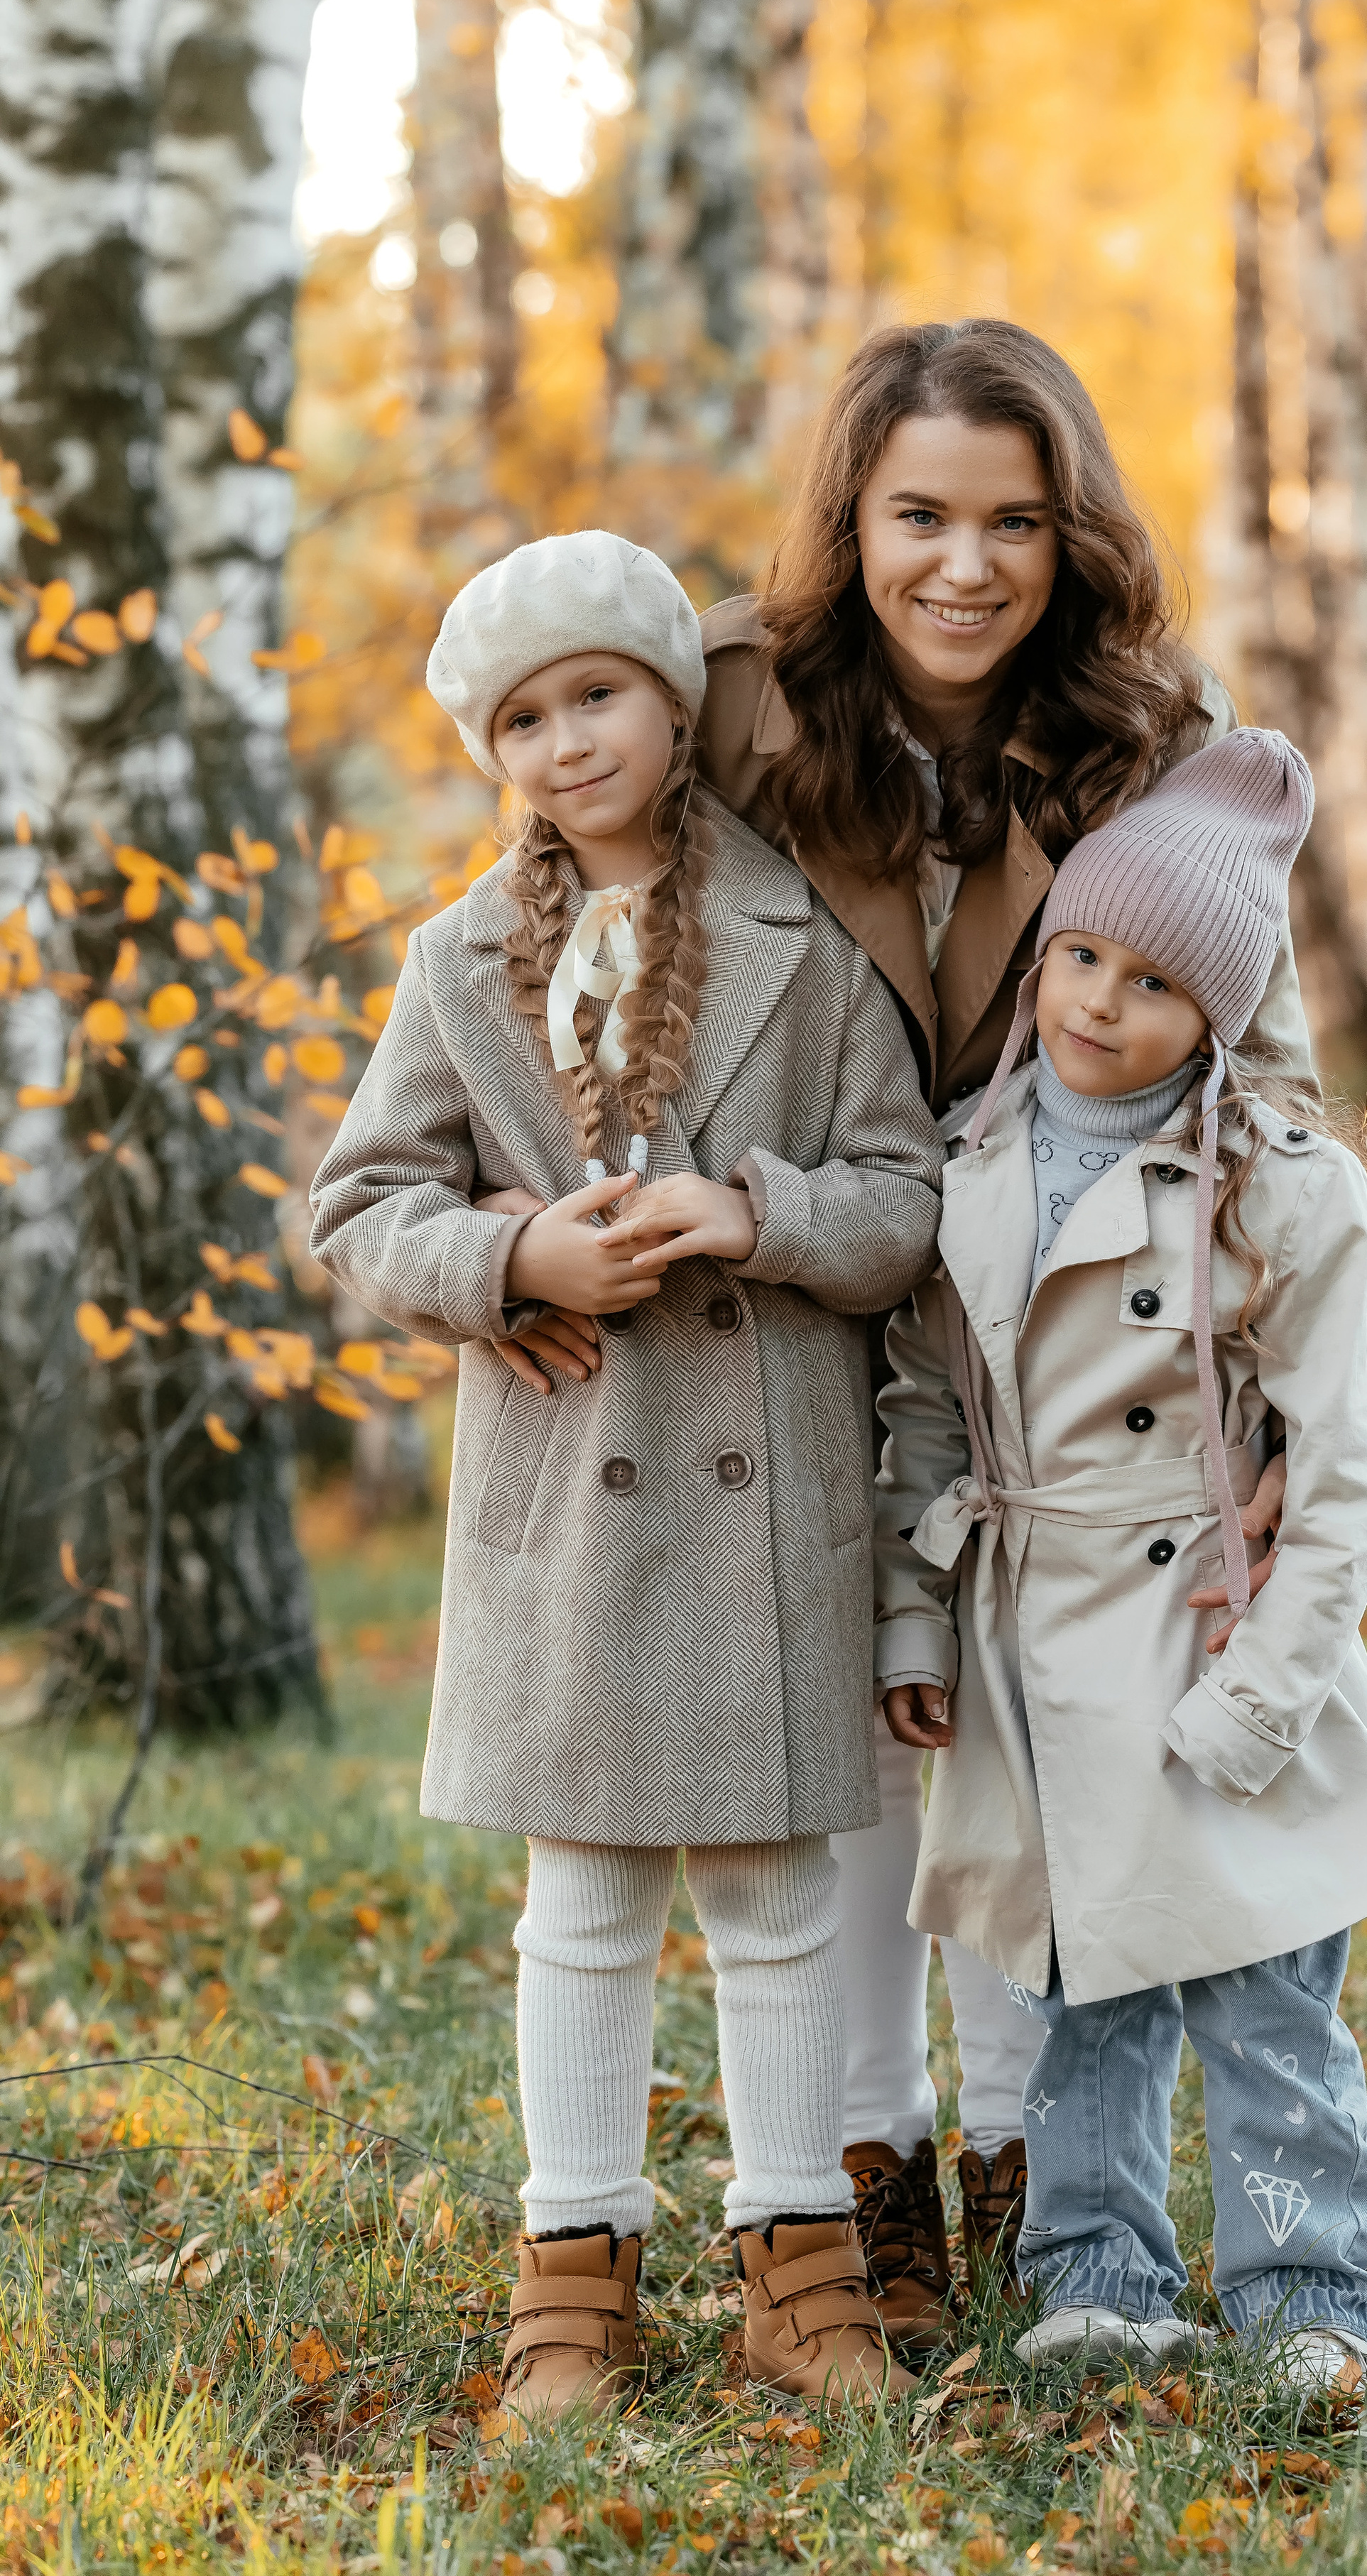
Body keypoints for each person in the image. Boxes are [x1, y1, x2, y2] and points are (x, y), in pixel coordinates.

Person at [491, 322, 1315, 2345]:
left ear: (1069, 532)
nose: (965, 565)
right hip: (781, 1265)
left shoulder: (1153, 726)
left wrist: (1271, 1390)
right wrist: (512, 1243)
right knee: (852, 1710)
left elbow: (1256, 1044)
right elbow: (555, 913)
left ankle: (1031, 2160)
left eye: (1013, 521)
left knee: (1031, 1702)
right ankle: (869, 2170)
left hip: (1054, 1285)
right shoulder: (728, 692)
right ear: (849, 520)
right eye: (918, 515)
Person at [308, 530, 942, 2424]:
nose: (567, 742)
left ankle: (798, 2266)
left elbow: (903, 1197)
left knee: (773, 1896)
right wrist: (510, 1258)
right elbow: (361, 1207)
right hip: (567, 1490)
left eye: (597, 695)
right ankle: (573, 2270)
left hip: (766, 1498)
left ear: (673, 704)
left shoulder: (807, 937)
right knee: (580, 1905)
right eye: (523, 720)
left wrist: (754, 1216)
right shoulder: (454, 961)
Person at [873, 728, 1367, 2389]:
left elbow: (1334, 1478)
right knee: (1079, 1995)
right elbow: (924, 1407)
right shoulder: (966, 1157)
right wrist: (912, 1623)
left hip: (1208, 1625)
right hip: (1031, 1635)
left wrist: (1263, 1698)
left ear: (1217, 1014)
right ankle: (1096, 2272)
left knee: (1266, 1998)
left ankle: (1304, 2290)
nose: (1099, 1003)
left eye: (1153, 982)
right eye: (1079, 957)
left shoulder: (1282, 1187)